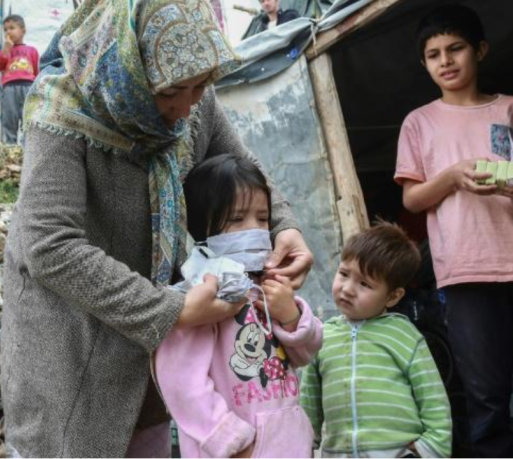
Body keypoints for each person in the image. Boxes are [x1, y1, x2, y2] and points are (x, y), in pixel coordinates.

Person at [0, 0, 315, 457]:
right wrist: (171, 310)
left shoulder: (194, 101)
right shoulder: (62, 113)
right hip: (70, 344)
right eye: (172, 92)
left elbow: (241, 166)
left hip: (149, 348)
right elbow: (49, 245)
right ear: (131, 68)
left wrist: (284, 226)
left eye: (200, 86)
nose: (185, 109)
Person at [395, 4, 513, 457]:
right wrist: (452, 177)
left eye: (456, 48)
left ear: (480, 50)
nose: (445, 61)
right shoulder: (419, 122)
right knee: (486, 396)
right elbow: (412, 199)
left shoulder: (507, 109)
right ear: (423, 63)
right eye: (433, 54)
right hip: (464, 269)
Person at [156, 154, 322, 458]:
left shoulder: (268, 284)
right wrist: (229, 441)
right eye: (236, 219)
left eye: (262, 218)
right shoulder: (201, 295)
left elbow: (306, 354)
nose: (254, 229)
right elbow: (180, 381)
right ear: (201, 226)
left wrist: (291, 316)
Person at [300, 222, 452, 458]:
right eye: (344, 274)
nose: (348, 289)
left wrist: (431, 447)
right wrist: (302, 446)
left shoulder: (404, 335)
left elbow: (433, 398)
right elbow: (309, 401)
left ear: (393, 296)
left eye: (364, 284)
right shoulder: (321, 336)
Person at [0, 14, 39, 144]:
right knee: (9, 117)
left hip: (28, 87)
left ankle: (29, 147)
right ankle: (10, 146)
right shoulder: (5, 50)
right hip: (9, 87)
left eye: (12, 28)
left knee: (29, 117)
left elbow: (36, 71)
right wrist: (6, 50)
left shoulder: (32, 50)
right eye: (5, 29)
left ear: (23, 31)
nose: (8, 32)